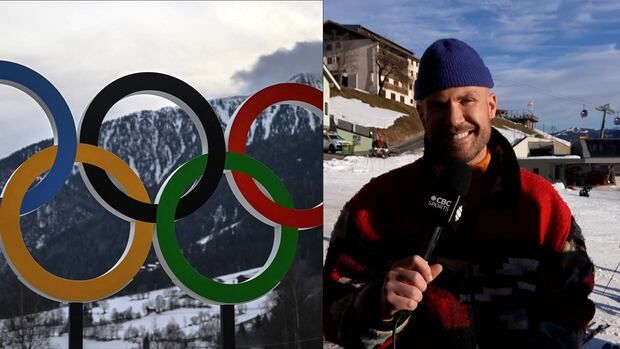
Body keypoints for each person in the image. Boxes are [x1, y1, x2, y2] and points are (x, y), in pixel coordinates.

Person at [323, 38, 595, 349]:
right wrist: (375, 307)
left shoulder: (542, 205)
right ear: (422, 114)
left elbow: (575, 302)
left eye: (467, 100)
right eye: (438, 104)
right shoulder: (375, 206)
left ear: (490, 106)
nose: (454, 119)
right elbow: (330, 311)